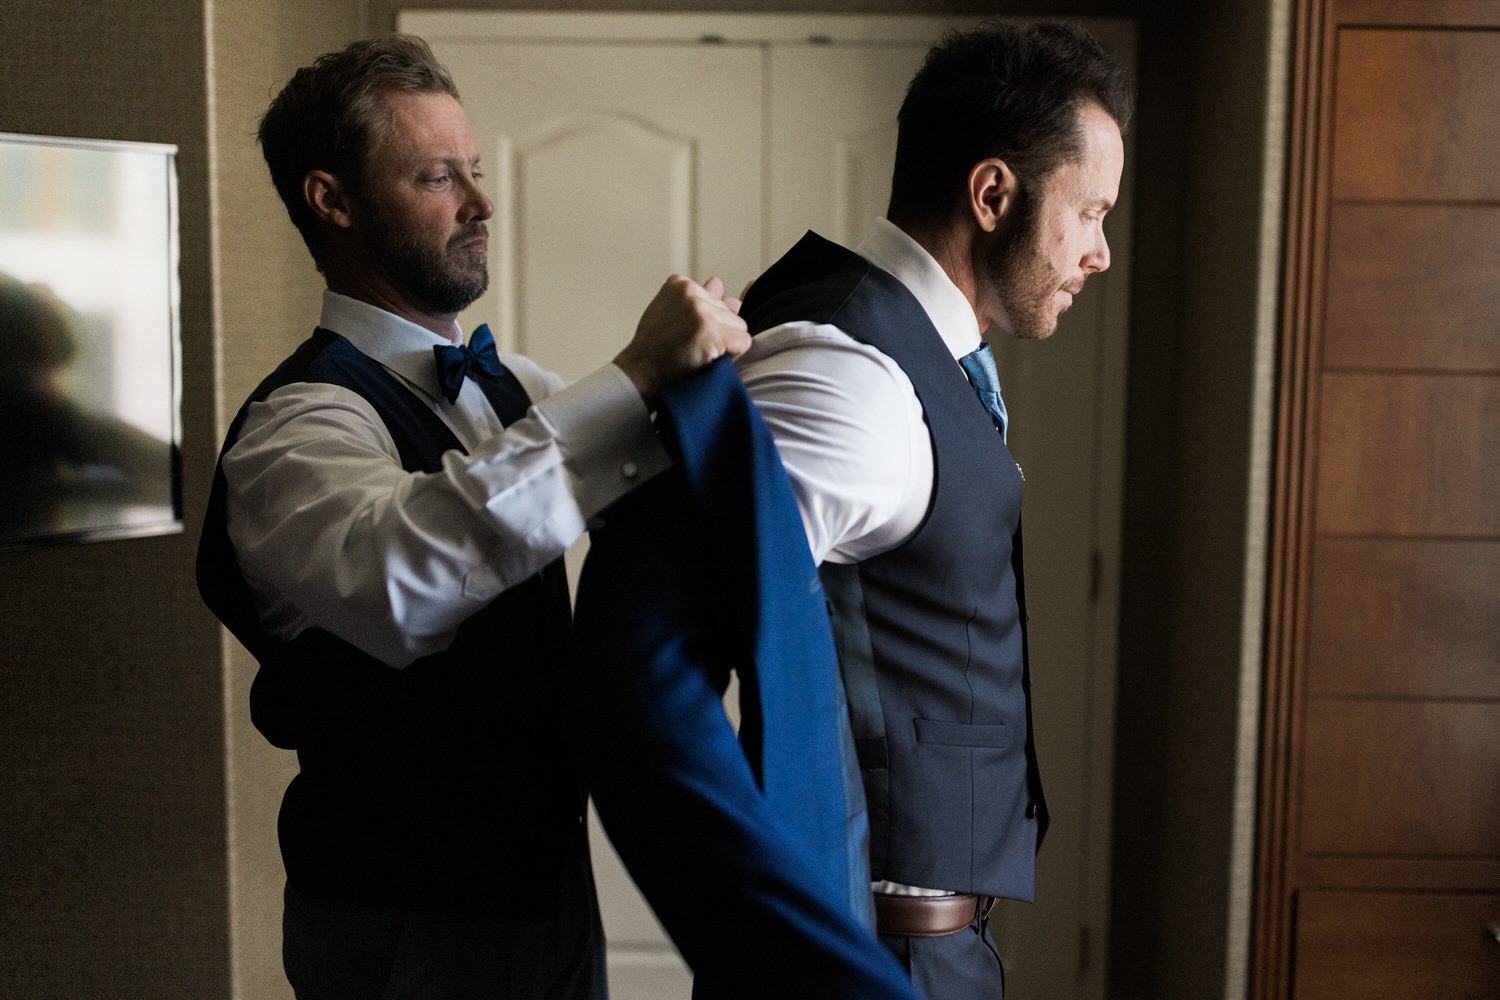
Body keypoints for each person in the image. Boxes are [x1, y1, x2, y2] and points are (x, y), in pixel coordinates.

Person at [195, 34, 747, 1000]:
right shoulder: (296, 428)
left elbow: (645, 468)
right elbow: (405, 576)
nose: (483, 205)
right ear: (334, 201)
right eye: (439, 177)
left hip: (545, 891)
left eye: (478, 172)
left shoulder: (512, 389)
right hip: (403, 922)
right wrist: (631, 376)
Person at [733, 19, 1133, 999]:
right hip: (866, 952)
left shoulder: (923, 355)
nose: (1102, 253)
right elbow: (675, 636)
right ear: (994, 194)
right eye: (1088, 214)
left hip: (936, 944)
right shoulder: (850, 374)